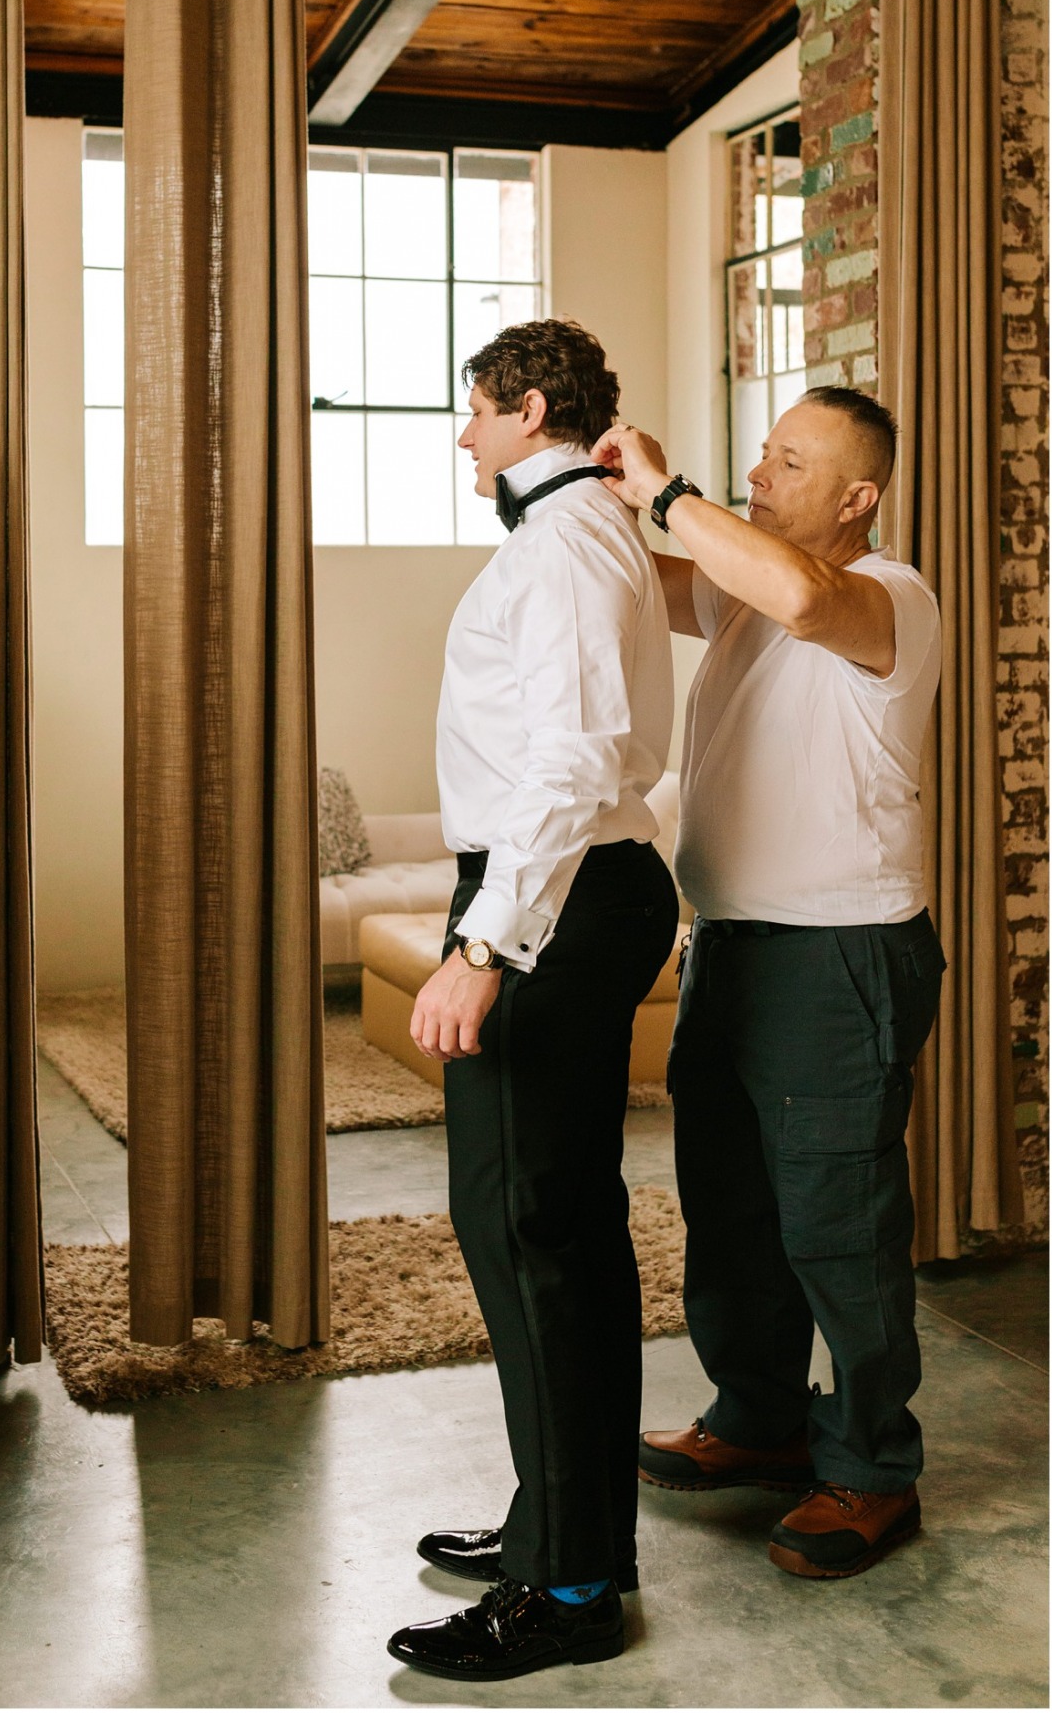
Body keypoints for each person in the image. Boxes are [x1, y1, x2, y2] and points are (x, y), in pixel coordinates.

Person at [593, 386, 944, 1582]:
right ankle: (759, 1416)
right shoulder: (746, 590)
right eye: (761, 452)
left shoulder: (886, 596)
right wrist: (583, 478)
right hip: (734, 944)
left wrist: (668, 490)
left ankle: (869, 1471)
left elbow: (797, 591)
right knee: (731, 1208)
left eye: (790, 462)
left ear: (858, 498)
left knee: (838, 1229)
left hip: (838, 955)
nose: (759, 471)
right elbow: (644, 579)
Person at [386, 318, 678, 1682]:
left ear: (534, 407)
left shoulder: (566, 542)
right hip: (560, 888)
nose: (464, 434)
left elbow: (571, 761)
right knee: (537, 1231)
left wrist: (483, 947)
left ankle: (568, 1591)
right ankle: (550, 1526)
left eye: (478, 411)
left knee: (536, 1233)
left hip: (550, 899)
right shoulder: (575, 531)